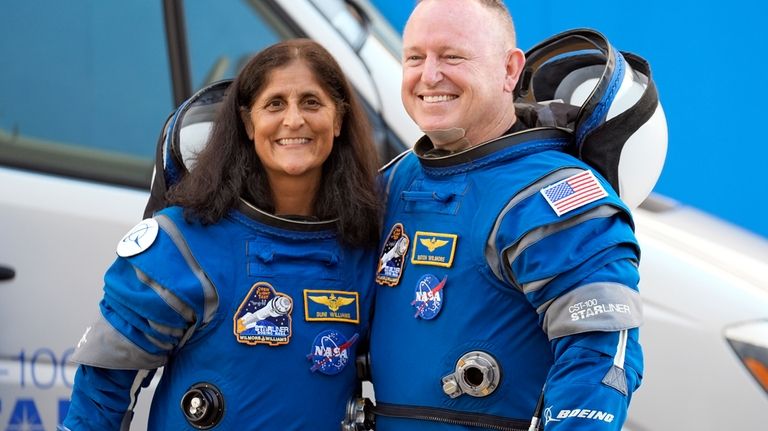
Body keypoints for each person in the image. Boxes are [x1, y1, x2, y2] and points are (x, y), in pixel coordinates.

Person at [60, 38, 381, 430]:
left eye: (311, 102)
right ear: (247, 122)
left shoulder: (364, 247)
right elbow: (101, 393)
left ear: (339, 119)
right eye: (275, 103)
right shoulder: (182, 245)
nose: (294, 120)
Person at [368, 1, 645, 430]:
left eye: (452, 56)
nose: (429, 75)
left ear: (510, 70)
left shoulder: (553, 195)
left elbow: (600, 359)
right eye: (415, 57)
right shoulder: (399, 178)